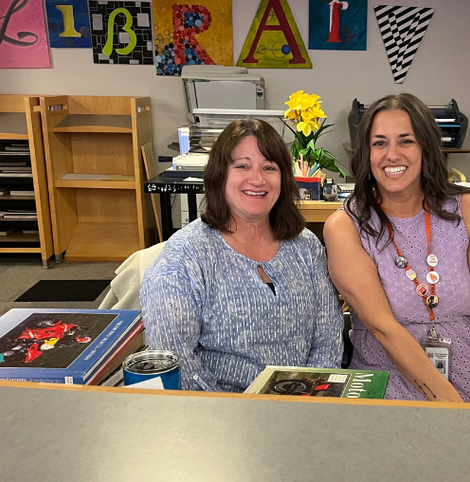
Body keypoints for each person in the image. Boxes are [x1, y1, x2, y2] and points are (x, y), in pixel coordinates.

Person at [323, 94, 470, 404]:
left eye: (406, 141)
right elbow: (383, 328)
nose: (392, 155)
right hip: (391, 368)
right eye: (380, 143)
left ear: (426, 148)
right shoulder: (345, 227)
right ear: (366, 153)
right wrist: (453, 407)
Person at [140, 118, 343, 391]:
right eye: (242, 166)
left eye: (269, 167)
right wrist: (233, 414)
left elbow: (328, 341)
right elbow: (177, 361)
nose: (257, 179)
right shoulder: (186, 255)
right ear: (220, 174)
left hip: (302, 406)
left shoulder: (306, 247)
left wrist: (310, 400)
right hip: (220, 417)